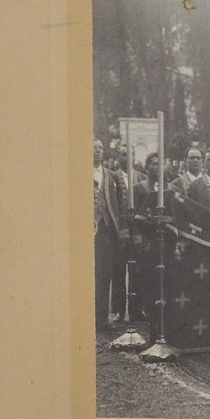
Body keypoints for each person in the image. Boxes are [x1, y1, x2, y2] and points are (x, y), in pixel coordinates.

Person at [93, 138, 128, 334]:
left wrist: (121, 229)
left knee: (104, 274)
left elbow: (121, 204)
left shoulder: (110, 176)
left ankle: (101, 319)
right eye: (94, 148)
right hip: (85, 230)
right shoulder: (78, 171)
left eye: (100, 148)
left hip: (106, 230)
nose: (97, 151)